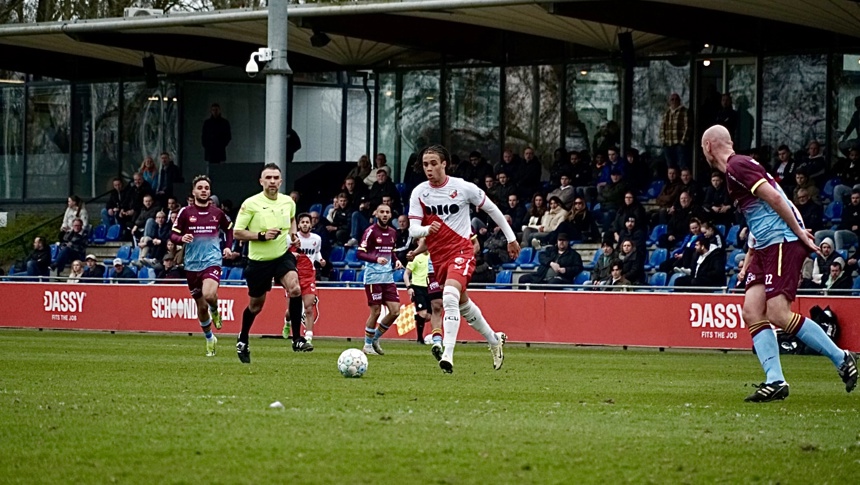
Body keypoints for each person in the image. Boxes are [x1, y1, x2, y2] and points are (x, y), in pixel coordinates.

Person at [701, 124, 857, 402]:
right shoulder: (737, 169)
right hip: (764, 246)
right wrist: (750, 256)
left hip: (781, 241)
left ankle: (841, 357)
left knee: (777, 313)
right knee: (752, 311)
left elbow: (775, 197)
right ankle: (775, 380)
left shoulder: (737, 165)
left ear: (708, 147)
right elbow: (764, 208)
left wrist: (799, 232)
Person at [408, 144, 520, 373]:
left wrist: (511, 238)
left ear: (444, 164)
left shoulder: (462, 187)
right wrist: (426, 230)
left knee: (449, 297)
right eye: (425, 164)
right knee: (462, 304)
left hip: (462, 251)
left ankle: (447, 355)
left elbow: (492, 209)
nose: (428, 168)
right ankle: (494, 339)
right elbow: (413, 229)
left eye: (433, 163)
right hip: (438, 258)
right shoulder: (419, 192)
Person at [232, 163, 310, 362]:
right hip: (259, 261)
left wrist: (293, 235)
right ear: (261, 181)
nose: (272, 181)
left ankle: (297, 339)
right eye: (268, 178)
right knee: (255, 306)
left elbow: (291, 219)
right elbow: (237, 232)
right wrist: (261, 235)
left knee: (295, 288)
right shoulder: (251, 203)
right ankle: (243, 338)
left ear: (281, 181)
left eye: (276, 178)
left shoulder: (288, 202)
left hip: (282, 256)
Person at [170, 175, 234, 357]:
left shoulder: (217, 213)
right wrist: (181, 238)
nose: (204, 190)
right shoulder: (185, 212)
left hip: (212, 260)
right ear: (193, 191)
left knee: (209, 294)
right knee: (201, 307)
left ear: (210, 191)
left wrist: (228, 247)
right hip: (192, 264)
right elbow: (173, 235)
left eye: (206, 188)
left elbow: (229, 228)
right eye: (200, 188)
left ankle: (215, 309)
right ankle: (209, 338)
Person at [356, 203, 402, 355]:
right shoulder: (370, 231)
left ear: (390, 215)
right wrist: (376, 259)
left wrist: (396, 260)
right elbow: (360, 253)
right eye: (381, 212)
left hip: (388, 278)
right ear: (376, 214)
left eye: (387, 212)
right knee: (375, 311)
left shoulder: (393, 232)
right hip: (373, 278)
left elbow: (391, 251)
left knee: (395, 311)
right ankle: (367, 345)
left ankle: (375, 338)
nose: (385, 214)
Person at [282, 213, 326, 344]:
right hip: (293, 275)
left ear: (311, 225)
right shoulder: (291, 238)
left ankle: (308, 337)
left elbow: (316, 252)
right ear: (298, 225)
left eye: (307, 222)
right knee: (291, 311)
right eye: (302, 222)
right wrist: (292, 255)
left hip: (309, 276)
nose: (305, 224)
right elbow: (283, 253)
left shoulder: (316, 239)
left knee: (308, 308)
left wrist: (320, 259)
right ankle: (287, 322)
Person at [519, 233, 583, 285]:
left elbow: (578, 267)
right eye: (560, 240)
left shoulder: (574, 255)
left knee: (553, 283)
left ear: (568, 242)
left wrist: (566, 270)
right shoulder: (550, 250)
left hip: (561, 278)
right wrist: (551, 263)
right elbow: (541, 257)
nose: (561, 242)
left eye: (564, 240)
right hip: (541, 276)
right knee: (523, 279)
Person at [404, 238, 432, 344]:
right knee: (423, 313)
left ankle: (416, 318)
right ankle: (420, 339)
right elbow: (406, 274)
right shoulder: (415, 257)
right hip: (418, 287)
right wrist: (409, 287)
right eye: (422, 241)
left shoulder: (433, 256)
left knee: (428, 316)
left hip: (430, 287)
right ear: (418, 243)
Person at [661, 93, 690, 169]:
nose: (674, 101)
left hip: (679, 144)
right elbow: (662, 128)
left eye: (676, 99)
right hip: (668, 144)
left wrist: (683, 141)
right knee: (671, 167)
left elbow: (687, 127)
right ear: (669, 102)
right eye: (672, 99)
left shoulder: (684, 111)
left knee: (683, 166)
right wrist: (663, 141)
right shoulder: (666, 113)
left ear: (679, 101)